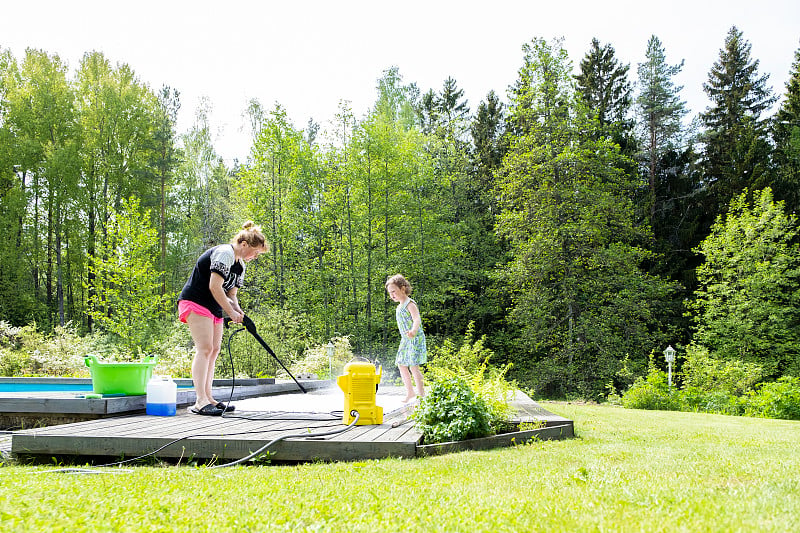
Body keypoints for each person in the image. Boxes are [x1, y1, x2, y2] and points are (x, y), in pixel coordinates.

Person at [178, 222, 268, 416]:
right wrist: (231, 312)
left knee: (215, 350)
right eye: (255, 252)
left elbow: (231, 294)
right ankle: (200, 401)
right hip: (196, 301)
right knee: (205, 349)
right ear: (243, 244)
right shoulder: (225, 253)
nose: (255, 256)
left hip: (213, 306)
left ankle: (209, 397)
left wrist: (238, 311)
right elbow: (215, 287)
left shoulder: (240, 265)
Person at [385, 274, 427, 403]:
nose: (392, 295)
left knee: (414, 366)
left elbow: (417, 319)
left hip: (414, 338)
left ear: (402, 288)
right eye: (390, 293)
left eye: (394, 291)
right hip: (405, 340)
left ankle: (421, 394)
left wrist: (413, 330)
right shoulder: (399, 306)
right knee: (401, 364)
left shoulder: (410, 304)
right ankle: (410, 392)